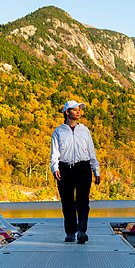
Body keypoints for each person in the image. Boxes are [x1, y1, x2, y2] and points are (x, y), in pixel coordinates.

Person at [50, 100, 101, 244]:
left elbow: (91, 152)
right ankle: (70, 233)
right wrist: (55, 168)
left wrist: (95, 170)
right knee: (67, 203)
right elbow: (55, 153)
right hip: (64, 168)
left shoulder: (84, 130)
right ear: (67, 112)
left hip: (83, 168)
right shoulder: (58, 132)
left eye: (79, 109)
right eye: (75, 109)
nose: (78, 112)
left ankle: (82, 232)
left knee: (83, 202)